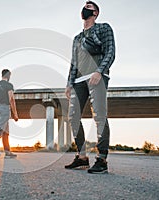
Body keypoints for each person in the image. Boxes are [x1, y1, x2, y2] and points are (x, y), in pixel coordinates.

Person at [65, 1, 115, 173]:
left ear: (95, 13)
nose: (84, 9)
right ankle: (82, 157)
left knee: (99, 116)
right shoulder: (77, 38)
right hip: (79, 80)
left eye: (88, 7)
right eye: (84, 6)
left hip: (97, 76)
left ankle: (101, 160)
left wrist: (100, 71)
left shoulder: (103, 28)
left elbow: (110, 51)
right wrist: (69, 83)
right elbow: (74, 62)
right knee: (73, 117)